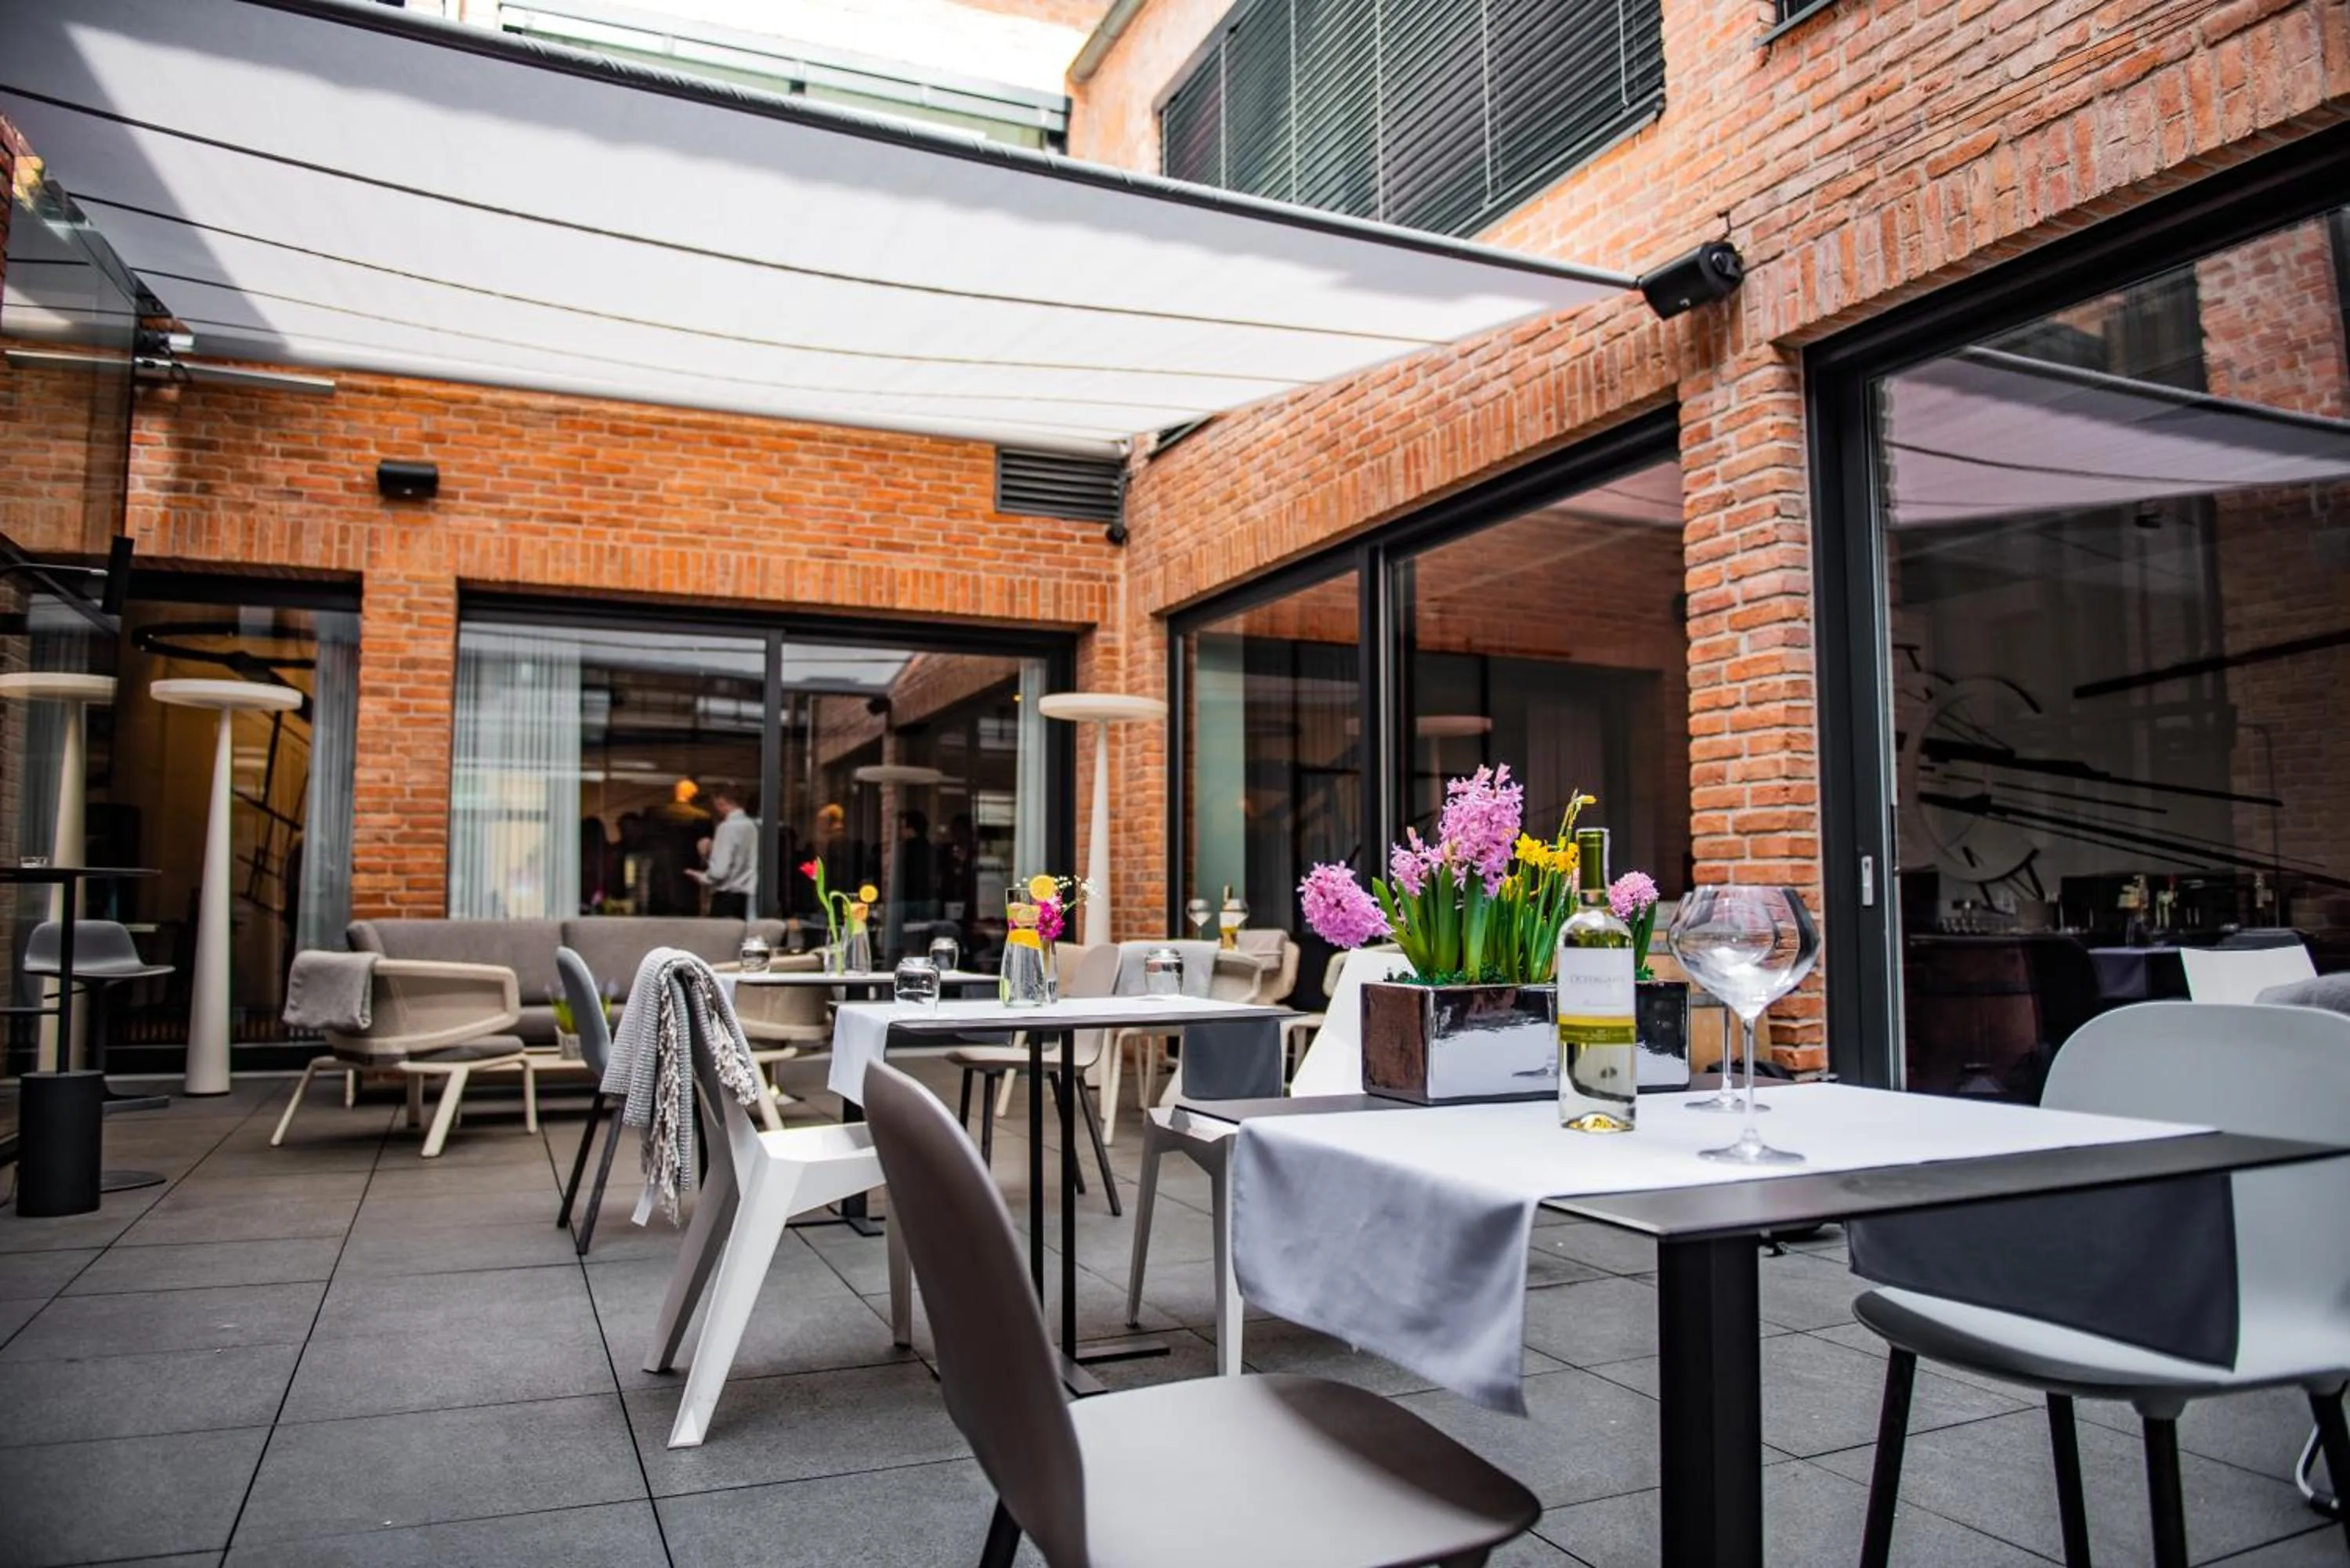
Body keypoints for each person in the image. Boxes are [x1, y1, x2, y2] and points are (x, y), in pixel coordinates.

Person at [690, 786, 757, 920]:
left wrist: (702, 876)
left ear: (721, 802)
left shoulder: (727, 828)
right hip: (749, 900)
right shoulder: (753, 827)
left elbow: (719, 872)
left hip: (727, 899)